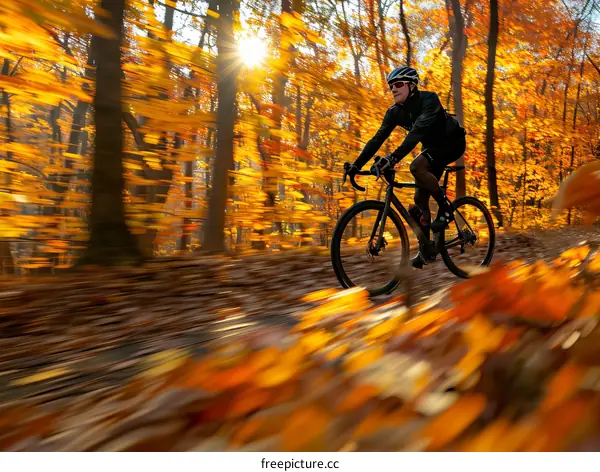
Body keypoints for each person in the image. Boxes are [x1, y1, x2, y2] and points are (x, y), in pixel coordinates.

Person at [346, 66, 467, 268]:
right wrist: (356, 165)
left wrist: (392, 159)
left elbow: (416, 134)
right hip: (432, 147)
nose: (393, 89)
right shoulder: (394, 112)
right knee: (419, 199)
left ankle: (446, 210)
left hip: (452, 142)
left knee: (416, 165)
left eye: (399, 84)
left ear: (412, 85)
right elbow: (377, 139)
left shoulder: (429, 100)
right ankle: (426, 250)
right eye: (391, 85)